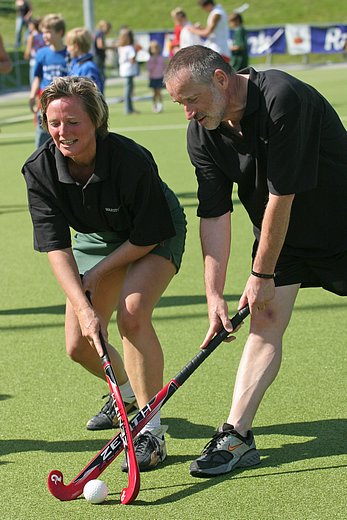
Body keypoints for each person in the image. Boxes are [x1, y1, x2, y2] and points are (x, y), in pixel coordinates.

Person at [164, 45, 347, 477]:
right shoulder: (204, 131)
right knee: (264, 323)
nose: (187, 113)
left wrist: (260, 272)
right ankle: (236, 435)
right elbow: (213, 213)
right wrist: (214, 295)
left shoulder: (282, 97)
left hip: (340, 223)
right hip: (282, 239)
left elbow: (282, 195)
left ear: (222, 80)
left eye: (191, 99)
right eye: (179, 104)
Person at [21, 76, 187, 471]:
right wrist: (83, 305)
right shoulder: (40, 169)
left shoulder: (130, 160)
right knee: (79, 344)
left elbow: (147, 235)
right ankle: (127, 397)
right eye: (53, 122)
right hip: (97, 236)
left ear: (96, 121)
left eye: (73, 122)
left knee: (131, 315)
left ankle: (152, 432)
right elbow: (57, 247)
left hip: (151, 234)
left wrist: (95, 275)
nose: (62, 132)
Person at [29, 13, 68, 147]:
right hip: (45, 102)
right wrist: (32, 95)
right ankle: (40, 164)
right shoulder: (41, 53)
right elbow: (37, 77)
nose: (44, 35)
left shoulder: (69, 53)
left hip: (65, 103)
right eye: (43, 32)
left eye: (48, 32)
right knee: (42, 135)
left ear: (59, 32)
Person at [66, 27, 104, 94]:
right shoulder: (75, 65)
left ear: (76, 46)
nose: (67, 49)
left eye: (69, 45)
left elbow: (93, 95)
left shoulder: (88, 68)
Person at [116, 27, 139, 115]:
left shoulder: (121, 47)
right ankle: (128, 109)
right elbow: (132, 60)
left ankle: (129, 108)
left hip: (123, 69)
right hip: (129, 70)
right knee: (128, 91)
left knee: (128, 90)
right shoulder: (129, 48)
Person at [24, 17, 45, 84]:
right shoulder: (44, 35)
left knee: (34, 84)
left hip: (35, 62)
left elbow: (27, 53)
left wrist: (26, 55)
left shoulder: (32, 37)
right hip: (45, 62)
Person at [146, 40, 166, 113]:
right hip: (153, 78)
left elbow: (165, 67)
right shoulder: (150, 59)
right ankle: (154, 105)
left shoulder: (162, 58)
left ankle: (160, 105)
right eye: (153, 48)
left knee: (159, 92)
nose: (155, 50)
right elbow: (149, 68)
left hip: (160, 77)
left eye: (156, 48)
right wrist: (153, 62)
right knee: (154, 93)